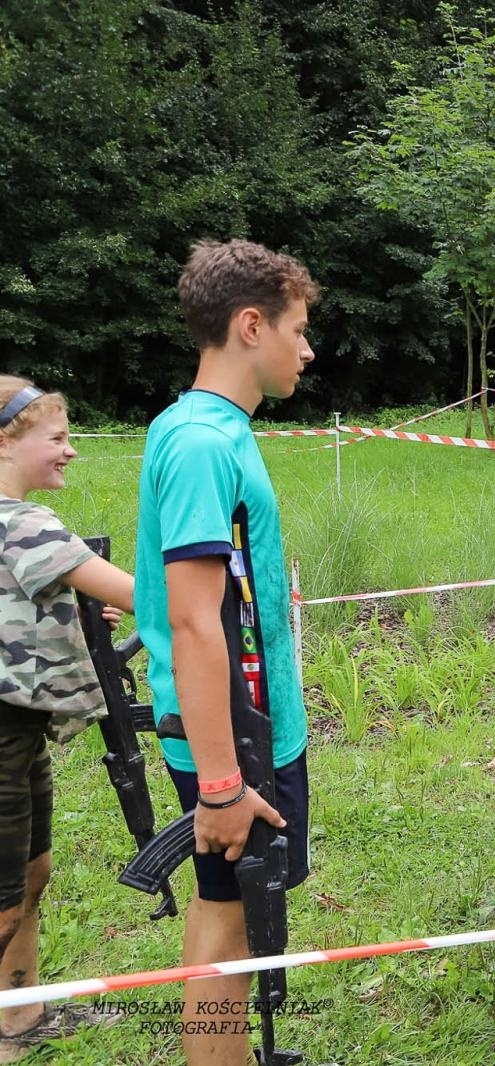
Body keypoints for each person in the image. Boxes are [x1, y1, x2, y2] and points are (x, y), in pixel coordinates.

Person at [133, 240, 319, 1065]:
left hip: (252, 729)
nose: (306, 350)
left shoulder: (210, 431)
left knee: (234, 917)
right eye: (298, 329)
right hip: (230, 744)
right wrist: (219, 786)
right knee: (223, 922)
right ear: (252, 325)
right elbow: (196, 622)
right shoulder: (205, 443)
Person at [0, 377, 131, 1059]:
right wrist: (214, 592)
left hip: (20, 729)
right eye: (56, 438)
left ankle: (19, 1019)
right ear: (6, 443)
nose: (70, 451)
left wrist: (80, 613)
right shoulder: (22, 520)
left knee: (32, 873)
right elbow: (141, 597)